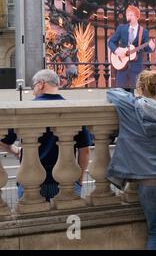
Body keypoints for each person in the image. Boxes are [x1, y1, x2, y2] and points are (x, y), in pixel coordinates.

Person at [106, 70, 156, 250]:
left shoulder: (131, 107)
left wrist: (140, 95)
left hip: (148, 183)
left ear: (140, 88)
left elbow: (112, 92)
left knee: (154, 232)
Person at [0, 69, 92, 201]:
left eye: (33, 86)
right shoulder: (74, 110)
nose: (33, 91)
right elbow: (85, 150)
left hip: (31, 179)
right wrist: (79, 181)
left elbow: (3, 140)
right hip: (65, 180)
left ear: (41, 84)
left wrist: (16, 152)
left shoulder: (25, 110)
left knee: (34, 220)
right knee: (65, 220)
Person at [108, 5, 155, 91]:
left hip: (136, 68)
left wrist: (152, 47)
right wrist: (117, 50)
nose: (128, 16)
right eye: (127, 14)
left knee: (136, 92)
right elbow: (111, 42)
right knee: (120, 92)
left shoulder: (143, 31)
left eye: (131, 15)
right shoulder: (121, 28)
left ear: (137, 16)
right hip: (122, 67)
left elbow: (146, 49)